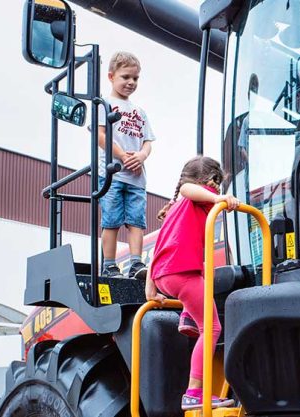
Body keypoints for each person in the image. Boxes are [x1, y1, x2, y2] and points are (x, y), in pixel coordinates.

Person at [145, 156, 240, 410]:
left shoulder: (175, 209)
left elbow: (158, 248)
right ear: (210, 181)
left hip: (166, 275)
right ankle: (194, 392)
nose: (218, 192)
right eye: (217, 186)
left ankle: (188, 317)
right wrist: (217, 198)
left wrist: (150, 287)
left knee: (206, 275)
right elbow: (188, 188)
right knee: (212, 328)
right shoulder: (194, 196)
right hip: (181, 273)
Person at [98, 51, 155, 279]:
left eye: (135, 78)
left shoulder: (139, 112)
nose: (131, 82)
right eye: (125, 77)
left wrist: (140, 156)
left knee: (136, 222)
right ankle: (110, 265)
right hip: (113, 175)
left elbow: (148, 141)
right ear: (111, 76)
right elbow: (100, 135)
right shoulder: (104, 104)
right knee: (111, 221)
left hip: (136, 178)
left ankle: (135, 263)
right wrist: (123, 156)